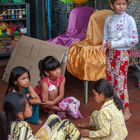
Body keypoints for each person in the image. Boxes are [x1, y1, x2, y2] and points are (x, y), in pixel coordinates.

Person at [102, 0, 138, 121]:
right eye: (118, 4)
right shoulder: (108, 19)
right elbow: (105, 37)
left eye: (124, 4)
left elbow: (134, 40)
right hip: (110, 54)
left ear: (127, 5)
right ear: (111, 5)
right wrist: (103, 45)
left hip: (122, 54)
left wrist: (114, 43)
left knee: (120, 82)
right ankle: (113, 109)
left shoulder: (129, 20)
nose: (121, 6)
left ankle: (126, 110)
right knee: (110, 81)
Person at [0, 93, 81, 140]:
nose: (31, 107)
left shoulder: (12, 123)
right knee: (66, 124)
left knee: (54, 118)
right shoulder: (22, 125)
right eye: (29, 106)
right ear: (20, 114)